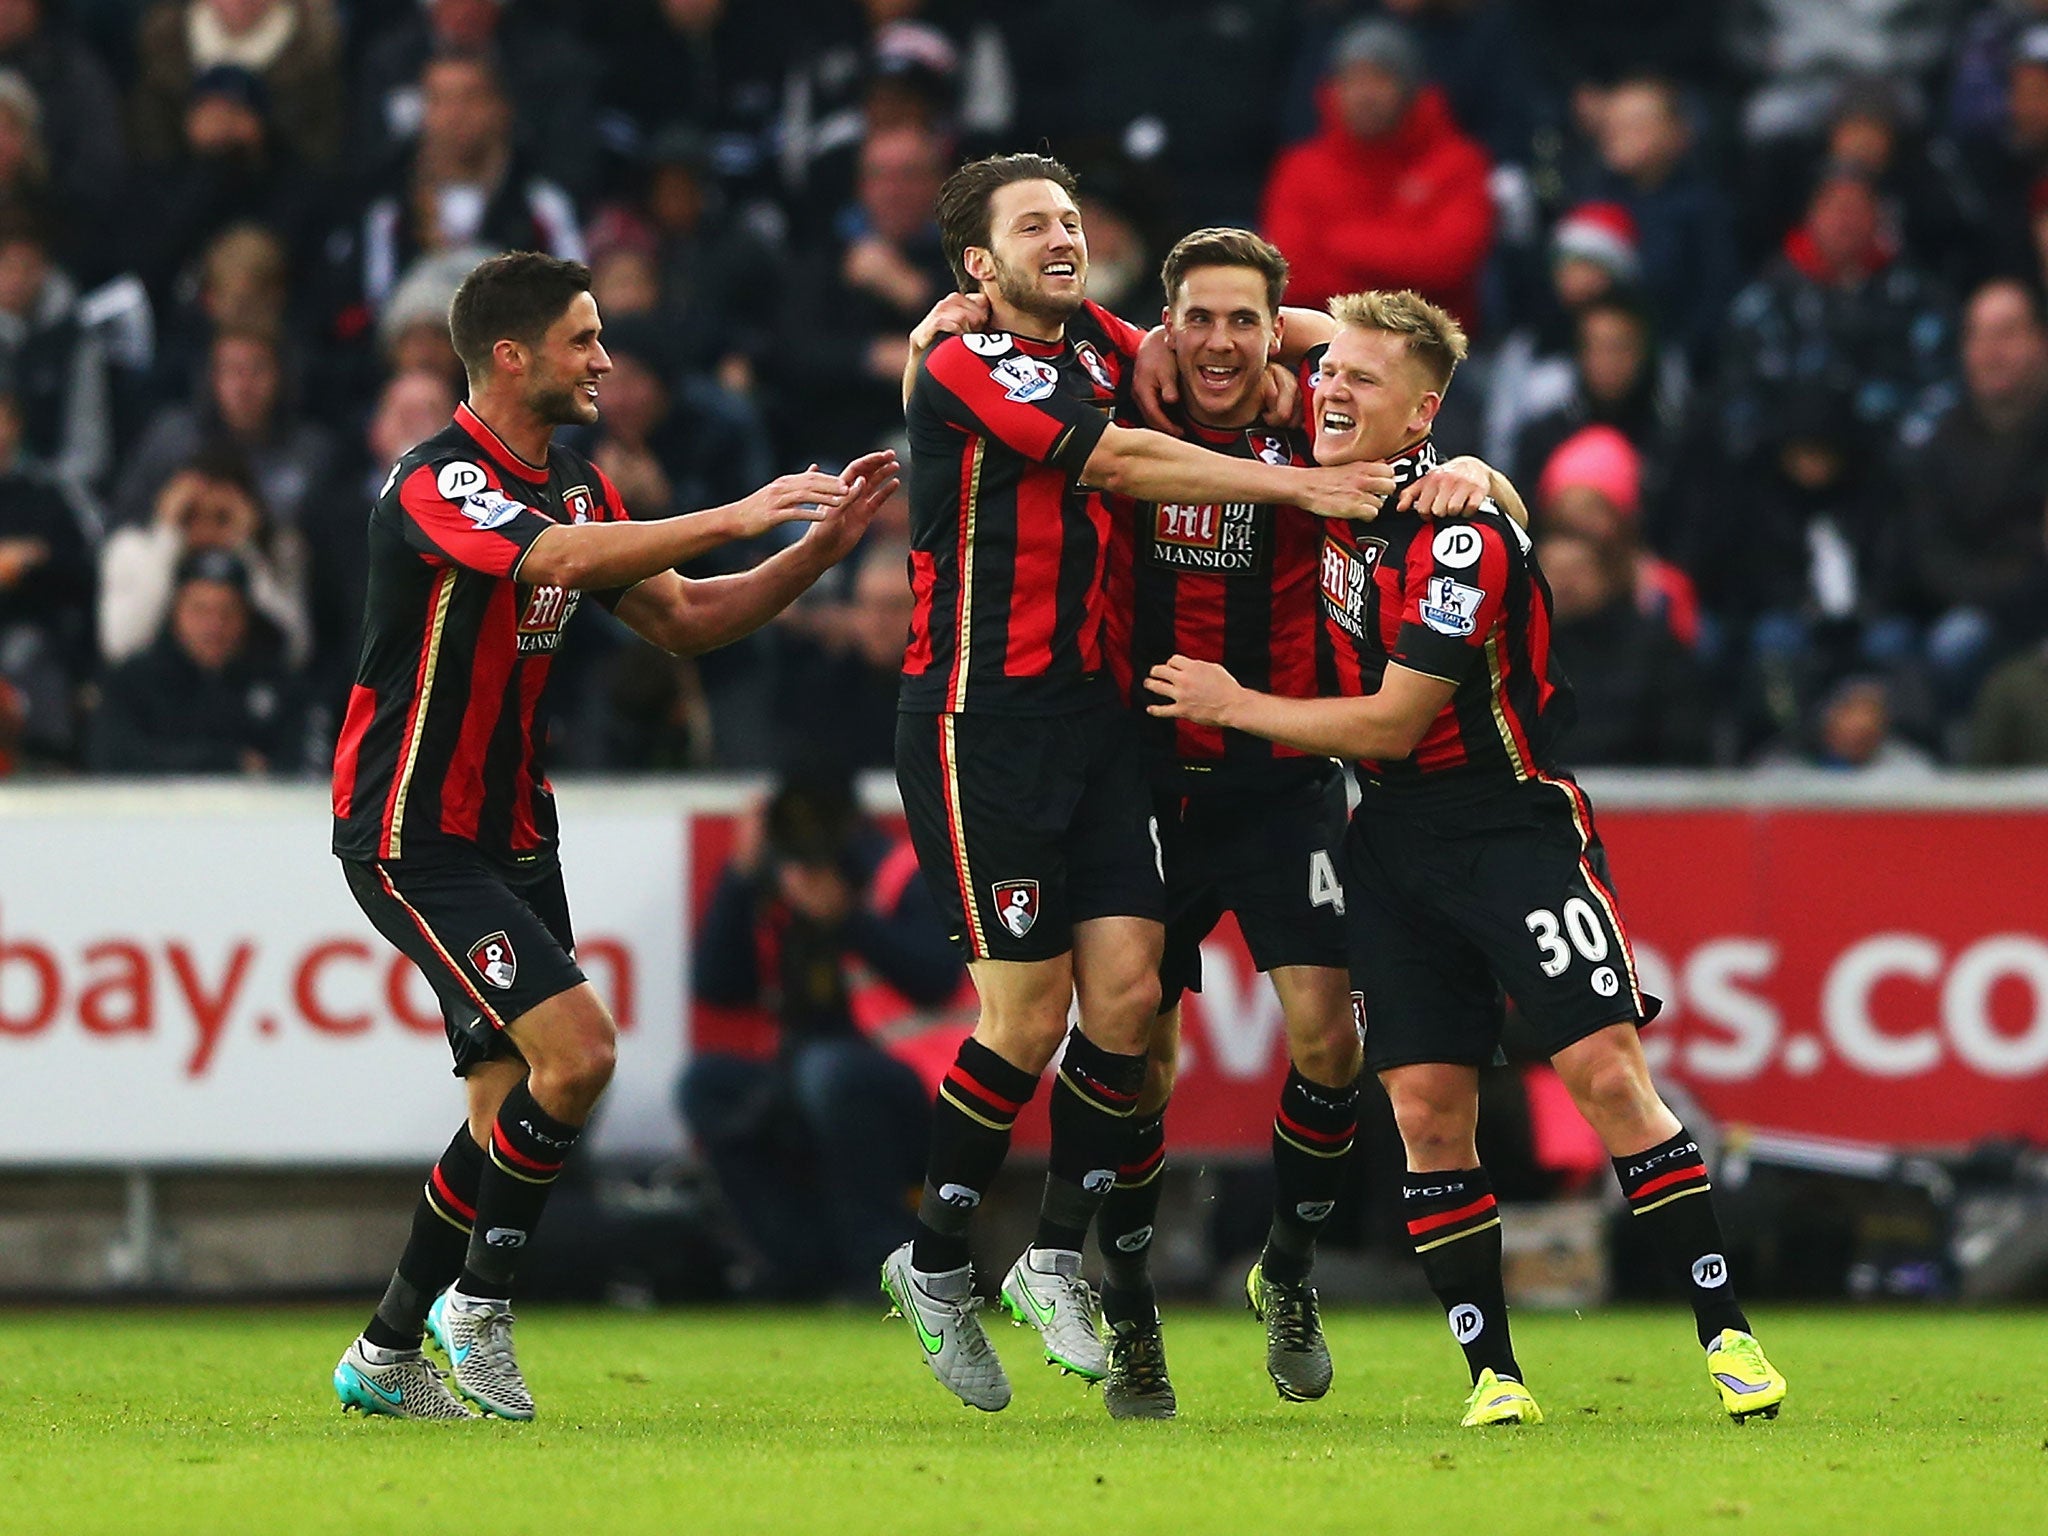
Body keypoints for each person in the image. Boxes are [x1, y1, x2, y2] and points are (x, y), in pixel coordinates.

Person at [1145, 287, 1789, 1429]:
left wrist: (1235, 702)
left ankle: (1725, 1335)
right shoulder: (1331, 460)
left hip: (1510, 830)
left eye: (1360, 382)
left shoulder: (1460, 531)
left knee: (1602, 1076)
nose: (1328, 389)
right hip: (1389, 846)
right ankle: (1493, 1375)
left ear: (1420, 415)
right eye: (1327, 372)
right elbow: (1259, 324)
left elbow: (1393, 723)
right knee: (1429, 1111)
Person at [329, 250, 899, 1422]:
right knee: (579, 1057)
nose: (603, 360)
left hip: (513, 831)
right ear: (508, 354)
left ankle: (386, 1353)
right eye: (583, 340)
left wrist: (811, 555)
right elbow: (554, 562)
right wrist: (735, 511)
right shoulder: (434, 484)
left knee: (504, 1120)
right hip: (412, 831)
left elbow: (686, 620)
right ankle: (479, 1313)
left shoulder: (576, 482)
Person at [880, 153, 1388, 1416]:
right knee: (1027, 1015)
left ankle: (1056, 1255)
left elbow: (1307, 331)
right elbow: (1112, 467)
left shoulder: (1113, 345)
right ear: (976, 266)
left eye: (1068, 218)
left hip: (1112, 731)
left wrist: (1316, 349)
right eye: (1031, 226)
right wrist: (1292, 480)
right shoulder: (967, 361)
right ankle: (937, 1261)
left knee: (1122, 1004)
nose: (1062, 235)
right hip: (979, 720)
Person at [1093, 226, 1506, 1419]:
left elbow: (1419, 435)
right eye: (1197, 320)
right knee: (1136, 1062)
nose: (1219, 343)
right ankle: (1130, 1319)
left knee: (1330, 1045)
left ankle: (1287, 1267)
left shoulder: (1320, 418)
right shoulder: (1126, 409)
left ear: (1278, 328)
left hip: (1283, 782)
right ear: (1163, 326)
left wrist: (1475, 471)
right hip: (1150, 783)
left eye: (1247, 322)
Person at [679, 771, 957, 1298]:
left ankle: (885, 1263)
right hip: (817, 1081)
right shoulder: (780, 888)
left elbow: (936, 978)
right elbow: (718, 987)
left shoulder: (905, 872)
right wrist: (741, 875)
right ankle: (796, 1266)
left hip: (929, 1095)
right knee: (708, 1085)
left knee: (829, 1072)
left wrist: (847, 918)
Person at [1259, 18, 1493, 326]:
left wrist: (1340, 242)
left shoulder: (1458, 164)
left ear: (1410, 89)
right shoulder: (1301, 167)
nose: (1364, 94)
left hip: (1430, 345)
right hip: (1323, 339)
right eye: (1352, 79)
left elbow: (1448, 265)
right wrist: (1399, 263)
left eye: (1380, 79)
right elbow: (1288, 274)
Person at [90, 545, 304, 774]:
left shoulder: (278, 683)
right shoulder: (133, 681)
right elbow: (113, 757)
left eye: (227, 611)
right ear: (176, 612)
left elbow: (300, 764)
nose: (214, 625)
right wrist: (228, 762)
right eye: (200, 610)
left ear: (246, 616)